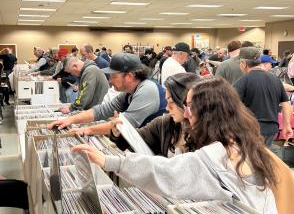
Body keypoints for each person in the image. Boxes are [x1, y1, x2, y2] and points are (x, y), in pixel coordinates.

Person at [71, 77, 278, 214]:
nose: (186, 113)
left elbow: (166, 171)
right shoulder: (242, 141)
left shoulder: (216, 153)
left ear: (207, 111)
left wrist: (108, 161)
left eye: (189, 106)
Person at [75, 73, 201, 157]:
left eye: (171, 102)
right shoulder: (164, 123)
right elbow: (135, 140)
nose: (167, 108)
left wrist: (89, 129)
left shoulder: (208, 135)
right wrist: (117, 132)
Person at [49, 53, 167, 131]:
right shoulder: (128, 92)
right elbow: (103, 110)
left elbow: (124, 124)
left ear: (129, 76)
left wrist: (87, 130)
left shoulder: (147, 90)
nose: (109, 81)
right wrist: (70, 120)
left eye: (113, 76)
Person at [234, 47, 293, 147]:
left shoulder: (242, 81)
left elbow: (231, 107)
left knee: (251, 160)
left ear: (244, 64)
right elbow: (286, 104)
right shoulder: (275, 79)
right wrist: (287, 125)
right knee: (263, 158)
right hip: (272, 129)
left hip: (251, 130)